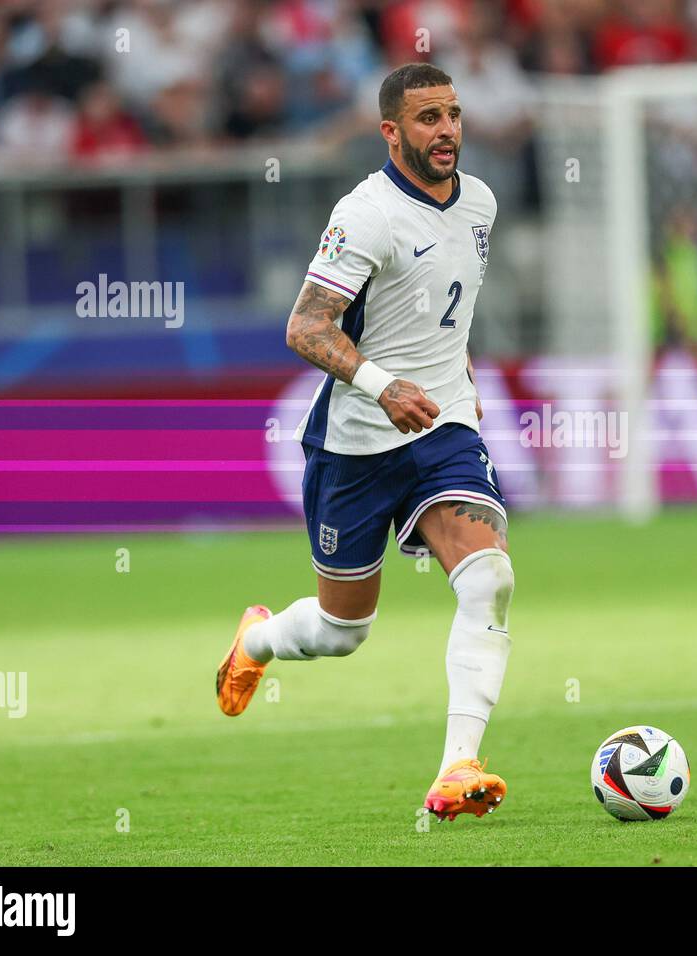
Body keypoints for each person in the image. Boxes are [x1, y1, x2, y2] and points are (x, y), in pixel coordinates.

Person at [215, 63, 513, 822]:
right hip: (357, 443)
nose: (446, 129)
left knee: (490, 583)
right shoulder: (367, 213)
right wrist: (384, 386)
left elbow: (445, 318)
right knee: (343, 631)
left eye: (452, 114)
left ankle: (458, 768)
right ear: (391, 131)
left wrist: (457, 381)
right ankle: (259, 640)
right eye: (427, 119)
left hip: (444, 428)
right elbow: (305, 326)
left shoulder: (480, 203)